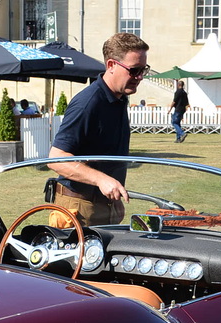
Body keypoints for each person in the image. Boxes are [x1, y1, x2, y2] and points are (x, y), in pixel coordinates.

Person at [48, 32, 147, 226]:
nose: (140, 77)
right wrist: (102, 180)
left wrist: (113, 198)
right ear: (111, 65)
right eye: (134, 70)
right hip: (78, 208)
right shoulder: (88, 103)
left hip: (103, 204)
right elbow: (56, 158)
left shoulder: (119, 98)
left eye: (144, 69)